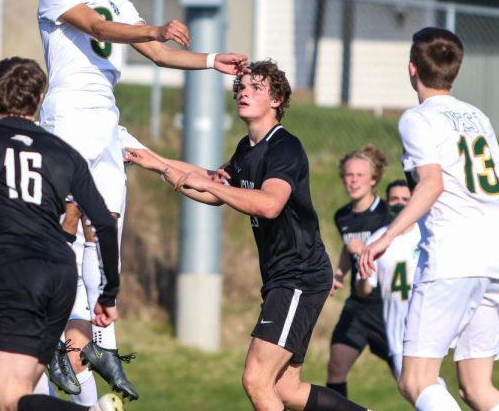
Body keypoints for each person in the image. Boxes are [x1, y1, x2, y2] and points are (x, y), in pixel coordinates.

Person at [36, 0, 248, 403]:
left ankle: (101, 344)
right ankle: (53, 328)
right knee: (71, 223)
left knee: (105, 227)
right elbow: (101, 30)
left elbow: (157, 51)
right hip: (69, 114)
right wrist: (152, 29)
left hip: (106, 118)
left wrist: (213, 60)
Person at [124, 60, 370, 411]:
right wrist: (157, 163)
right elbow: (212, 188)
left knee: (256, 379)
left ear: (276, 100)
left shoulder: (285, 146)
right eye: (240, 86)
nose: (243, 92)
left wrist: (205, 184)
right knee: (285, 390)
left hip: (299, 275)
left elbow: (269, 204)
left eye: (255, 87)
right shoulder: (246, 150)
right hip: (284, 277)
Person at [0, 57, 124, 411]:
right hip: (62, 276)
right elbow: (104, 224)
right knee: (27, 394)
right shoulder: (63, 152)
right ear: (41, 97)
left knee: (9, 401)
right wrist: (108, 294)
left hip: (14, 272)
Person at [360, 27, 499, 411]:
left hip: (453, 260)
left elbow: (431, 185)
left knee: (416, 380)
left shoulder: (418, 118)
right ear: (455, 72)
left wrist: (386, 237)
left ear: (412, 68)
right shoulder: (478, 117)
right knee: (477, 389)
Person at [327, 145, 393, 397]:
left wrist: (363, 249)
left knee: (408, 378)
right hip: (357, 304)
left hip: (385, 305)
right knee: (336, 365)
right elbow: (348, 248)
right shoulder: (342, 216)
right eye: (348, 175)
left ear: (374, 179)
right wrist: (339, 274)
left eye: (359, 175)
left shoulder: (387, 214)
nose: (352, 181)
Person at [355, 179, 417, 379]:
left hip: (426, 319)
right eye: (394, 199)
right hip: (397, 327)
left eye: (405, 199)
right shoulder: (377, 240)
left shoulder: (427, 235)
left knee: (420, 384)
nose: (399, 203)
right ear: (387, 202)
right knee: (409, 385)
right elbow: (363, 290)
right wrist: (364, 274)